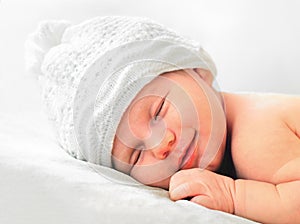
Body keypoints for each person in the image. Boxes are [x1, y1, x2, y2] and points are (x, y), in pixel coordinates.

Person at [26, 16, 300, 224]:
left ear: (197, 70)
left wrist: (234, 196)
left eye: (158, 111)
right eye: (135, 155)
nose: (161, 145)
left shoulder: (254, 136)